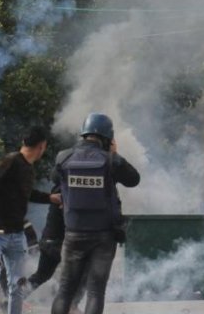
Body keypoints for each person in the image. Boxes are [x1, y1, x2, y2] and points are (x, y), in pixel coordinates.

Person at [51, 113, 140, 314]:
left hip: (73, 233)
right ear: (108, 137)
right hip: (103, 237)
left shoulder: (63, 157)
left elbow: (55, 179)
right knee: (95, 292)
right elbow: (134, 179)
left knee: (65, 290)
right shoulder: (110, 161)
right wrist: (115, 155)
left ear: (84, 134)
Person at [0, 126, 56, 314]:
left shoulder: (27, 168)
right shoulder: (10, 161)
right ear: (42, 146)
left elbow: (26, 193)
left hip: (16, 234)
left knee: (18, 282)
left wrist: (50, 198)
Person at [27, 182, 65, 291]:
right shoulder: (65, 192)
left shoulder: (60, 189)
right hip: (57, 242)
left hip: (50, 240)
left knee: (41, 275)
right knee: (78, 275)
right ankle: (72, 305)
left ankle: (14, 298)